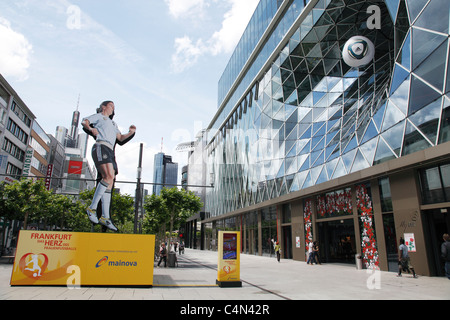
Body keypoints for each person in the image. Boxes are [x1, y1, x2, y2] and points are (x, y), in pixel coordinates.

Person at [82, 101, 136, 232]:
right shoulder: (99, 116)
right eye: (111, 105)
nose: (113, 108)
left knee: (110, 181)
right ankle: (92, 208)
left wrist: (131, 132)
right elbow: (85, 121)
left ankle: (105, 217)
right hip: (101, 146)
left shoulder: (113, 123)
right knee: (108, 177)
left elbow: (120, 138)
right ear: (104, 107)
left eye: (114, 107)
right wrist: (91, 129)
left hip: (110, 151)